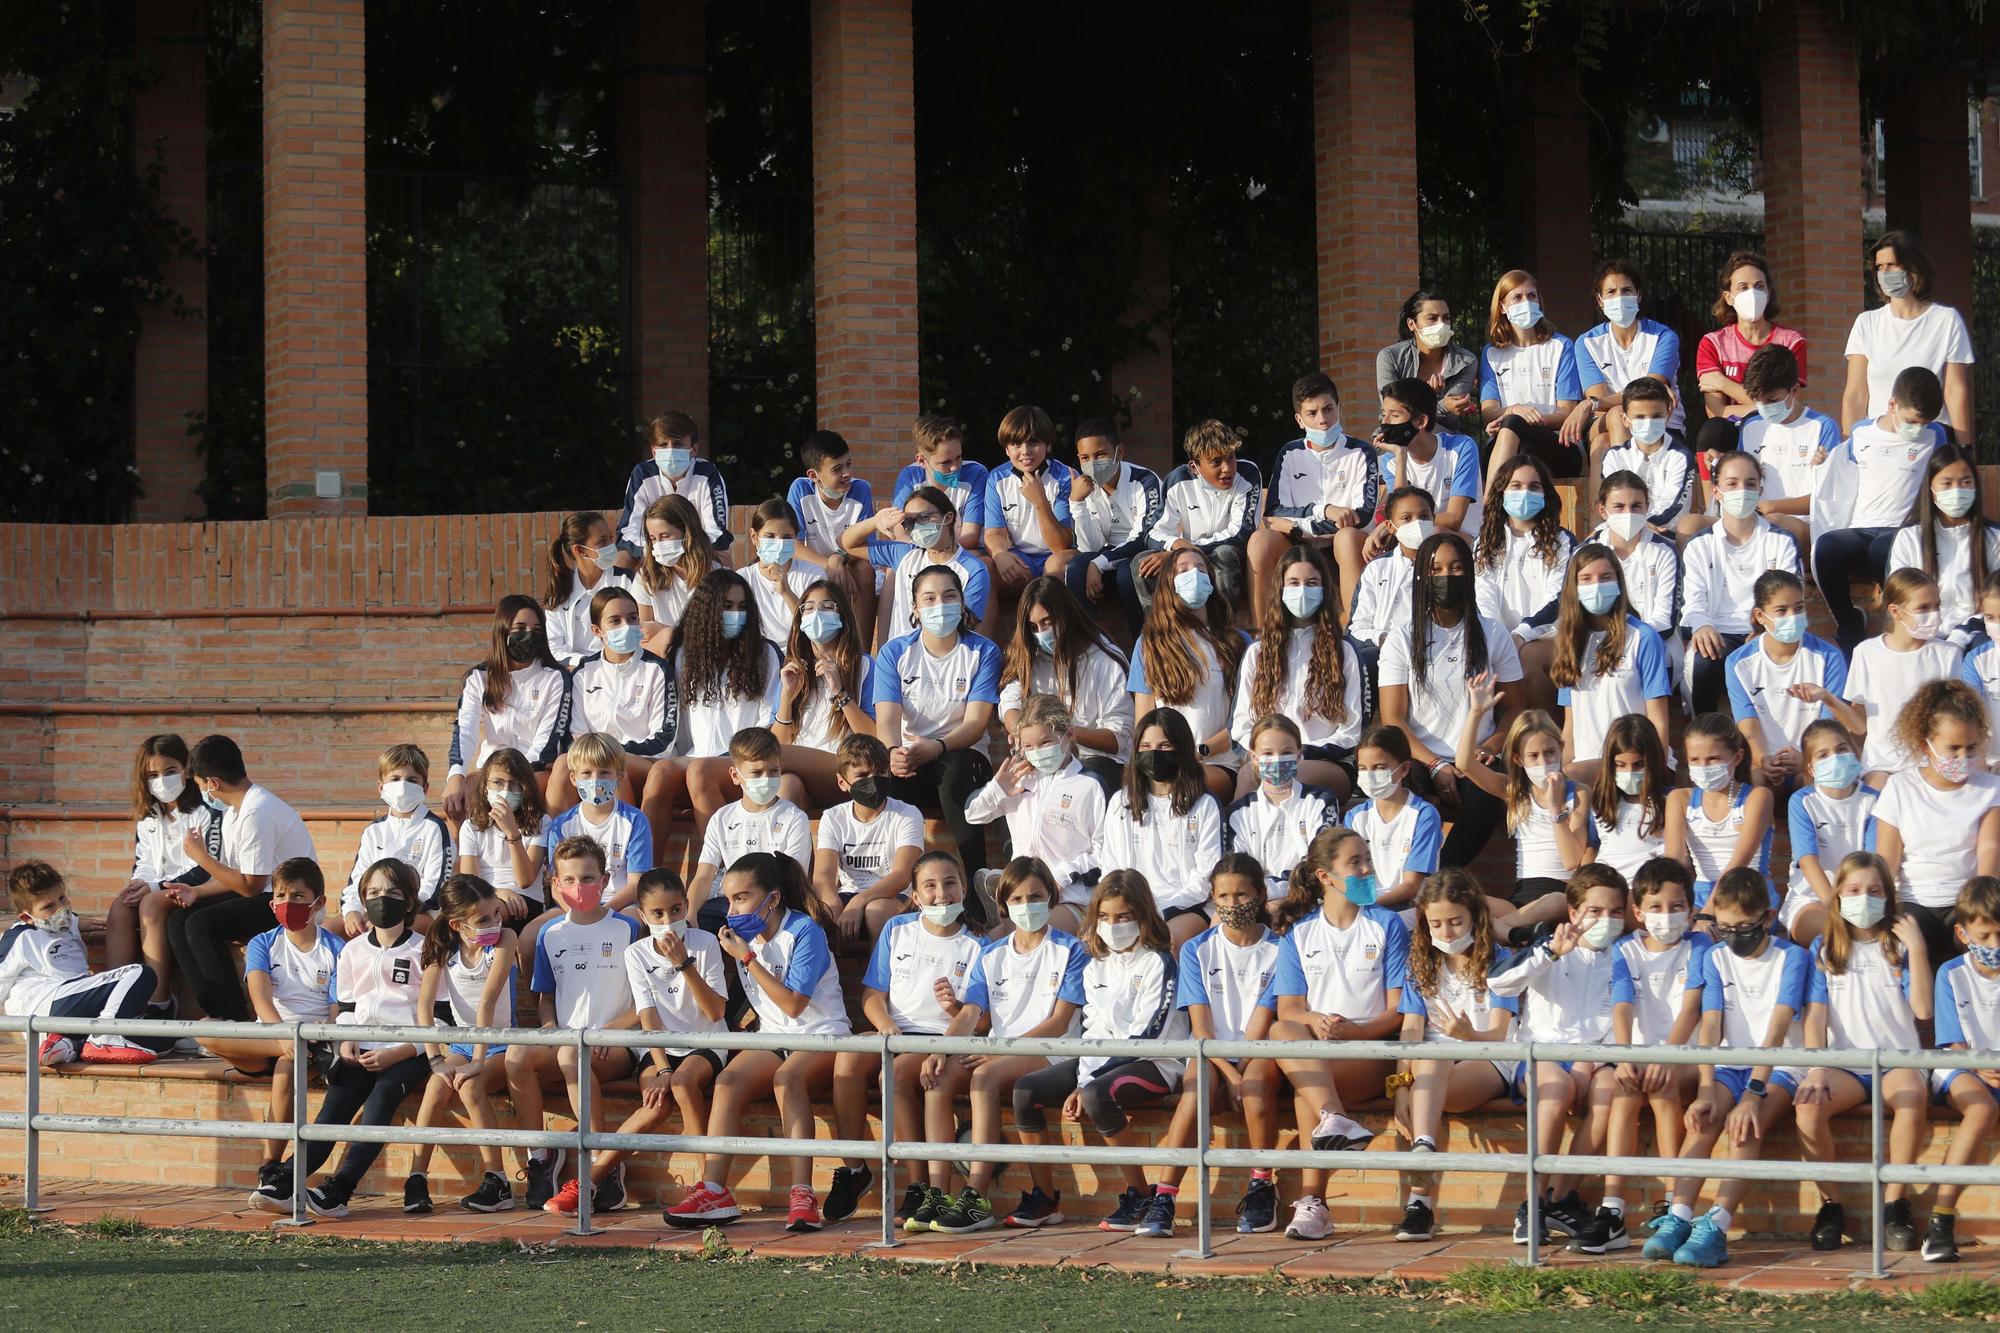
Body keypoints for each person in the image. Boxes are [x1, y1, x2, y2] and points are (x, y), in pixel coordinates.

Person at [1641, 866, 1808, 1268]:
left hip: (1782, 1063)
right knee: (1702, 1118)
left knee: (1744, 1125)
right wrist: (1702, 1089)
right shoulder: (1716, 956)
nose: (1734, 936)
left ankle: (1716, 1224)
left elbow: (1779, 1025)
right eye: (1725, 927)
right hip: (1730, 1063)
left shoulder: (1792, 957)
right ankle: (1678, 1216)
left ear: (1768, 919)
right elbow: (1711, 1023)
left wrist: (1753, 1093)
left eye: (1745, 926)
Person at [1007, 870, 1189, 1231]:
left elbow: (1147, 1035)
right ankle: (1044, 1197)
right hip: (1104, 1059)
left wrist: (1088, 1080)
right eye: (1104, 917)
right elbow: (1094, 1029)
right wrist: (1086, 1074)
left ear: (1142, 915)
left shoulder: (1159, 961)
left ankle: (1140, 1194)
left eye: (1123, 917)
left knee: (1095, 1095)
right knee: (1026, 1091)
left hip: (1157, 1061)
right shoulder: (1097, 965)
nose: (1113, 925)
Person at [918, 857, 1087, 1234]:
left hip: (1052, 1049)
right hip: (1001, 1050)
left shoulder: (1071, 950)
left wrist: (1001, 1050)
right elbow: (969, 1014)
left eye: (1037, 896)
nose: (1028, 906)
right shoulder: (991, 954)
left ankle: (975, 1198)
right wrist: (938, 1051)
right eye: (1018, 899)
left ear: (1053, 898)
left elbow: (1058, 1022)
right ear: (1003, 907)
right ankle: (938, 1194)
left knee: (985, 1078)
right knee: (939, 1080)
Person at [255, 857, 430, 1219]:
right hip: (360, 1048)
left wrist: (400, 1052)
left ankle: (340, 1189)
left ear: (410, 901)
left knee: (381, 1100)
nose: (383, 899)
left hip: (411, 1052)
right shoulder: (352, 950)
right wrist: (346, 1039)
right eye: (374, 892)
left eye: (393, 892)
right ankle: (287, 1179)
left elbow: (438, 1019)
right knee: (333, 1108)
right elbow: (347, 1007)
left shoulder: (425, 950)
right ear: (363, 900)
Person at [1266, 826, 1410, 1242]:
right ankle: (1334, 1122)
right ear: (1325, 877)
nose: (1367, 868)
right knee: (1284, 1031)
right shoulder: (1301, 932)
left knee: (1305, 1085)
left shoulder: (1387, 925)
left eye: (1367, 859)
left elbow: (1397, 1012)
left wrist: (1354, 1030)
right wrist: (1316, 1020)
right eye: (1356, 862)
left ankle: (1314, 1199)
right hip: (1321, 1051)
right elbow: (1290, 1010)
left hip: (1371, 1050)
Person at [1137, 854, 1285, 1238]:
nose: (1233, 904)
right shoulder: (1196, 950)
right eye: (1224, 896)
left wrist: (1241, 1074)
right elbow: (1201, 1028)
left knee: (1254, 1091)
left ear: (1261, 894)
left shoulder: (1282, 949)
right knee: (1194, 1094)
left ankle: (1262, 1186)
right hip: (1210, 1052)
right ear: (1213, 899)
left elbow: (1263, 1021)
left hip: (1260, 1050)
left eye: (1242, 895)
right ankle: (1165, 1198)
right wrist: (1229, 1073)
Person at [1792, 850, 1932, 1254]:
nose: (1863, 897)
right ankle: (1831, 1206)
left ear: (1888, 896)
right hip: (1846, 1066)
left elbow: (1922, 1009)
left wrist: (1918, 950)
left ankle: (1895, 1206)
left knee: (1911, 1096)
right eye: (1854, 890)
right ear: (1837, 895)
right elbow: (1815, 1018)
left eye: (1873, 890)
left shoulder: (1899, 945)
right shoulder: (1823, 947)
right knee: (1808, 1106)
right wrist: (1817, 1070)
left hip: (1897, 1061)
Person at [1488, 862, 1629, 1247]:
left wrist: (1593, 1058)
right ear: (1572, 913)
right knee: (1555, 1091)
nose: (1606, 920)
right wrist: (1550, 952)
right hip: (1540, 1054)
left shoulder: (1626, 957)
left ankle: (1561, 1198)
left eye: (1615, 912)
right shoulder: (1548, 948)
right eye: (1595, 911)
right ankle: (1530, 1204)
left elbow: (1621, 1019)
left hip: (1596, 1057)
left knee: (1612, 1092)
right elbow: (1499, 981)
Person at [843, 852, 984, 1228]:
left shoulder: (978, 945)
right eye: (930, 886)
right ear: (916, 896)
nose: (942, 894)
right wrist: (885, 1023)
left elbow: (978, 1016)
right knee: (848, 1060)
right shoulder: (897, 929)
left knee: (896, 1074)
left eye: (950, 883)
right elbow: (872, 993)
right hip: (895, 1032)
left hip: (939, 1038)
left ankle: (919, 1186)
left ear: (965, 888)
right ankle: (853, 1169)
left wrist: (953, 1009)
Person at [506, 836, 643, 1212]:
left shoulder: (629, 929)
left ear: (604, 879)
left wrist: (610, 1031)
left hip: (616, 1044)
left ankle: (603, 1161)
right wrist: (549, 1027)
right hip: (568, 1042)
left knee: (570, 1057)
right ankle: (541, 1158)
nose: (578, 888)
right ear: (554, 883)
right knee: (517, 1056)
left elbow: (648, 1002)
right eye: (568, 880)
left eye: (587, 878)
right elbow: (545, 996)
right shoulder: (550, 935)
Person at [586, 869, 729, 1222]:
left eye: (676, 910)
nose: (669, 920)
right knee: (655, 1099)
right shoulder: (636, 954)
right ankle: (589, 1181)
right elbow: (647, 1016)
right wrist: (662, 1066)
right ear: (643, 916)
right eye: (658, 914)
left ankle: (708, 1188)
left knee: (682, 1083)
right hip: (660, 1047)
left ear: (686, 906)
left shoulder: (704, 943)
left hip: (706, 1040)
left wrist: (683, 963)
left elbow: (714, 1011)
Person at [1377, 530, 1522, 866]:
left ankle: (1443, 874)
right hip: (1420, 758)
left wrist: (1491, 746)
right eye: (1436, 569)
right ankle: (1411, 872)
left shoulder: (1494, 633)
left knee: (1489, 792)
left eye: (1456, 568)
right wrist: (1436, 764)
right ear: (1422, 577)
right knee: (1398, 781)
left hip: (1477, 755)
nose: (1447, 577)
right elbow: (1393, 719)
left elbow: (1515, 708)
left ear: (1469, 574)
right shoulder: (1402, 638)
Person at [198, 857, 339, 1193]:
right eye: (280, 896)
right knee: (204, 1029)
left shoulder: (335, 948)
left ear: (319, 903)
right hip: (271, 1037)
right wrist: (282, 1035)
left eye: (298, 897)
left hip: (310, 1042)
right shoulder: (263, 942)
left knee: (286, 1069)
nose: (287, 904)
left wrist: (315, 1033)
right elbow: (259, 997)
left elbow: (337, 1008)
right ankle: (289, 1048)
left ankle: (269, 1165)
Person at [1393, 868, 1518, 1242]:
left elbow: (1498, 1032)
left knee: (1434, 1063)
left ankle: (1419, 1196)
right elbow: (1411, 1032)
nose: (1446, 932)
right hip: (1431, 1067)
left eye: (1455, 921)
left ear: (1476, 917)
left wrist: (1468, 1035)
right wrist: (1399, 1087)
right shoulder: (1421, 963)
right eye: (1437, 924)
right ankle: (1423, 1160)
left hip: (1488, 1058)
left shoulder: (1501, 959)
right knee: (1431, 1058)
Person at [1594, 857, 1706, 1254]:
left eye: (1677, 907)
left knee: (1664, 1088)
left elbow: (1692, 1007)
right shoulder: (1625, 949)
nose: (1667, 916)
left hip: (1685, 1057)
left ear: (1691, 910)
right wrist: (1625, 1056)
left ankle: (1675, 1206)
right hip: (1639, 1055)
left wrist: (1669, 1055)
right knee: (1621, 1093)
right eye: (1656, 908)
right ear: (1638, 913)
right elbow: (1622, 1005)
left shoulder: (1701, 946)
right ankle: (1612, 1209)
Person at [168, 734, 316, 1023]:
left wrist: (200, 857)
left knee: (202, 924)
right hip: (263, 893)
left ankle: (229, 1016)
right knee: (177, 920)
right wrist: (198, 892)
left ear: (212, 783)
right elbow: (238, 876)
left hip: (289, 902)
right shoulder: (239, 811)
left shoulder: (256, 812)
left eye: (200, 785)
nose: (203, 793)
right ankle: (215, 1010)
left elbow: (251, 886)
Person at [872, 562, 1001, 876]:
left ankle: (977, 880)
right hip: (912, 759)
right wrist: (893, 753)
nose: (939, 605)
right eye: (929, 598)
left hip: (964, 759)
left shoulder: (983, 651)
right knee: (882, 780)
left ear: (961, 601)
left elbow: (975, 724)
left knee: (953, 769)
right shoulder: (894, 652)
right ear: (915, 607)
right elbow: (887, 721)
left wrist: (938, 746)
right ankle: (897, 885)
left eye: (949, 596)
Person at [1811, 365, 1948, 654]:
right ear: (1892, 405)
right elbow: (1837, 470)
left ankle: (1896, 621)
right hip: (1860, 528)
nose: (1918, 428)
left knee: (1881, 550)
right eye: (1912, 421)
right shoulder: (1861, 432)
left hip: (1902, 531)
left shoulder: (1936, 436)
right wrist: (1821, 461)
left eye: (1925, 423)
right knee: (1825, 547)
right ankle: (1849, 622)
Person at [408, 874, 519, 1215]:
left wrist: (479, 1061)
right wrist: (435, 1061)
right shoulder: (444, 945)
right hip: (463, 1043)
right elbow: (424, 1006)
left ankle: (498, 1180)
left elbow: (487, 1003)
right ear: (457, 925)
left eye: (496, 914)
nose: (494, 923)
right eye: (483, 920)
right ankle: (416, 1178)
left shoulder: (506, 939)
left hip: (500, 1041)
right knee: (435, 1088)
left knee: (470, 1088)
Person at [1871, 679, 2000, 962]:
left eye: (1971, 748)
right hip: (1914, 904)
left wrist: (1976, 914)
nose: (1963, 757)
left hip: (1967, 902)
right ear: (1926, 744)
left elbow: (1989, 852)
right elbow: (1886, 860)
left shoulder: (1991, 789)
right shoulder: (1900, 787)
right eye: (1953, 748)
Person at [3, 860, 174, 1068]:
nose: (61, 909)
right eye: (49, 906)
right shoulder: (20, 936)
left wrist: (79, 922)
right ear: (26, 917)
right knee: (140, 973)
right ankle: (105, 1036)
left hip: (67, 1014)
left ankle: (68, 1045)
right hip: (45, 1006)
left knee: (163, 1042)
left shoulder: (64, 924)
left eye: (62, 898)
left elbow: (67, 920)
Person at [964, 694, 1106, 930]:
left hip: (1070, 897)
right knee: (997, 943)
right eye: (1028, 746)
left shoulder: (1090, 785)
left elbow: (1104, 852)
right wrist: (997, 789)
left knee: (1034, 934)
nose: (1037, 752)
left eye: (1046, 743)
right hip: (1023, 894)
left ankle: (999, 895)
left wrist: (1060, 876)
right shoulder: (1020, 779)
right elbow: (973, 815)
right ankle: (1003, 897)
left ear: (1068, 735)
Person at [1231, 545, 1362, 800]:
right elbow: (1240, 724)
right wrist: (1269, 755)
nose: (1303, 590)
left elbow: (1352, 730)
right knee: (1249, 776)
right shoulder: (1258, 652)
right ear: (1280, 589)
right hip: (1267, 761)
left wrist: (1297, 754)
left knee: (1288, 776)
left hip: (1326, 762)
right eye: (1293, 583)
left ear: (1324, 589)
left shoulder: (1343, 651)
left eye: (1311, 582)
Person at [547, 586, 678, 837]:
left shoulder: (657, 669)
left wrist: (611, 753)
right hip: (591, 759)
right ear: (597, 631)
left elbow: (664, 741)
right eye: (615, 621)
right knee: (564, 764)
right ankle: (555, 857)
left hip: (643, 762)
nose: (626, 626)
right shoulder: (584, 672)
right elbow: (574, 734)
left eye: (632, 618)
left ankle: (629, 856)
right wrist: (598, 755)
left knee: (611, 767)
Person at [671, 570, 785, 857]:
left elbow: (767, 723)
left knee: (699, 772)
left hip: (743, 763)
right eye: (727, 607)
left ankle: (723, 868)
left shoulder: (765, 655)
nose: (736, 614)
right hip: (695, 757)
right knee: (661, 773)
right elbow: (680, 726)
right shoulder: (684, 656)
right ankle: (643, 877)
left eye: (742, 607)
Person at [103, 733, 219, 1011]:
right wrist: (138, 883)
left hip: (197, 891)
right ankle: (114, 1000)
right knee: (121, 906)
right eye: (153, 774)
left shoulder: (206, 810)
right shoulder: (148, 815)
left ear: (186, 770)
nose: (161, 780)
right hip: (158, 888)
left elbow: (206, 868)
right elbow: (143, 861)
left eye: (170, 772)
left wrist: (154, 887)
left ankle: (159, 1002)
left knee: (151, 903)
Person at [1454, 697, 1591, 930]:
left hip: (1560, 895)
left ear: (1561, 749)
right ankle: (1508, 930)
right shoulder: (1516, 792)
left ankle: (1494, 932)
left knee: (1555, 901)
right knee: (1455, 899)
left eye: (1550, 753)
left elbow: (1572, 861)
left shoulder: (1577, 792)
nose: (1544, 762)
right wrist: (1476, 713)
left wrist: (1555, 807)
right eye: (1534, 756)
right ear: (1518, 759)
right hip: (1521, 898)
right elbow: (1465, 764)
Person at [1680, 450, 1801, 713]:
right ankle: (1704, 733)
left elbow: (1789, 599)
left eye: (1750, 484)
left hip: (1766, 631)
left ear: (1760, 489)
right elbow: (1693, 600)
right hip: (1717, 634)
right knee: (1703, 660)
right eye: (1731, 483)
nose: (1741, 490)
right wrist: (1701, 625)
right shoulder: (1699, 545)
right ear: (1716, 491)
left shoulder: (1781, 541)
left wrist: (1763, 629)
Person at [1254, 371, 1380, 620]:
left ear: (1340, 409)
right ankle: (1261, 632)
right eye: (1312, 413)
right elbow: (1274, 512)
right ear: (1299, 420)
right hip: (1296, 543)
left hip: (1342, 543)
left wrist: (1297, 527)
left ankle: (1357, 633)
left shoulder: (1362, 451)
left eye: (1328, 409)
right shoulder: (1289, 453)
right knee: (1261, 541)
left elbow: (1361, 517)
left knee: (1345, 536)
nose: (1323, 420)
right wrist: (1325, 510)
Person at [1130, 546, 1247, 802]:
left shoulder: (1237, 642)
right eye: (1183, 570)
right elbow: (1145, 721)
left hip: (1219, 762)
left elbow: (1246, 719)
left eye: (1201, 569)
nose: (1194, 575)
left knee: (1184, 791)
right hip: (1164, 764)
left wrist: (1198, 753)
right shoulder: (1149, 645)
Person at [1100, 710, 1225, 948]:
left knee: (1166, 941)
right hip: (1129, 908)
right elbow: (1110, 866)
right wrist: (1125, 909)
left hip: (1186, 908)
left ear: (1181, 749)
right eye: (1145, 746)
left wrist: (1156, 910)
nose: (1154, 753)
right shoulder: (1120, 802)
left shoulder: (1205, 804)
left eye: (1164, 745)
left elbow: (1204, 879)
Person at [997, 575, 1133, 793]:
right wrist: (1021, 730)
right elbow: (1009, 702)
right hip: (1043, 761)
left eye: (1048, 623)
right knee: (1008, 791)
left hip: (1098, 763)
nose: (1041, 634)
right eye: (1033, 627)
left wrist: (1063, 733)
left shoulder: (1105, 659)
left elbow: (1118, 739)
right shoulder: (1029, 657)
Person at [1924, 875, 2000, 1262]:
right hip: (1961, 1068)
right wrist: (1980, 1068)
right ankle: (1941, 1220)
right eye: (1985, 936)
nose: (1995, 946)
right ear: (1963, 931)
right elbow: (1952, 1043)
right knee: (1982, 1108)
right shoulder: (1950, 973)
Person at [1547, 544, 1672, 776]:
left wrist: (1655, 772)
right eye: (1586, 578)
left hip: (1632, 764)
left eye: (1606, 577)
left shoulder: (1643, 637)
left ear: (1618, 582)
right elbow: (1570, 729)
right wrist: (1556, 775)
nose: (1597, 586)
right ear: (1574, 587)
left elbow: (1658, 720)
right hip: (1585, 766)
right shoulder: (1568, 642)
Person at [1842, 229, 1976, 438]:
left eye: (1892, 265)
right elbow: (1856, 395)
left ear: (1913, 269)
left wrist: (1965, 448)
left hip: (1930, 437)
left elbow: (1954, 391)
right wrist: (1848, 448)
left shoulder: (1946, 320)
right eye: (1880, 267)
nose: (1885, 273)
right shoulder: (1866, 324)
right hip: (1881, 440)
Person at [443, 596, 566, 820]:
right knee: (460, 793)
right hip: (491, 770)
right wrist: (455, 775)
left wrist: (512, 778)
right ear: (502, 630)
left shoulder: (556, 677)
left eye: (536, 629)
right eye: (520, 628)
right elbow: (465, 730)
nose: (529, 634)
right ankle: (464, 854)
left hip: (534, 770)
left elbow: (547, 742)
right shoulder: (478, 678)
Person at [1724, 569, 1847, 789]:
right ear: (1760, 616)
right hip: (1764, 762)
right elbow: (1747, 724)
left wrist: (1807, 758)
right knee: (1756, 782)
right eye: (1781, 610)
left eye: (1798, 608)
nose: (1793, 617)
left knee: (1815, 781)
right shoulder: (1738, 663)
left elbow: (1830, 723)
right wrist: (1763, 760)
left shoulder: (1829, 657)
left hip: (1814, 759)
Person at [1840, 568, 1962, 782]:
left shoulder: (1948, 653)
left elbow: (1952, 716)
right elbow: (1858, 723)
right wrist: (1827, 699)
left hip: (1931, 764)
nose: (1934, 614)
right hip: (1882, 766)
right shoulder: (1866, 652)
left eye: (1937, 606)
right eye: (1923, 608)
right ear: (1896, 612)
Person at [686, 727, 812, 934]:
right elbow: (703, 876)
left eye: (773, 771)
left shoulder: (794, 818)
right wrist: (690, 914)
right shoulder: (721, 818)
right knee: (692, 931)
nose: (766, 779)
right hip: (726, 905)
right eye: (756, 773)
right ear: (735, 775)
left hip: (773, 905)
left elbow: (793, 880)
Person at [1473, 454, 1574, 710]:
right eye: (1516, 486)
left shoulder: (1563, 542)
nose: (1525, 493)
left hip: (1551, 636)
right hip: (1501, 636)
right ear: (1502, 492)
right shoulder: (1484, 543)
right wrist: (1498, 638)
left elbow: (1559, 599)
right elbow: (1483, 594)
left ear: (1545, 493)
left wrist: (1519, 636)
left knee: (1525, 659)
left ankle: (1542, 738)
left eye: (1534, 486)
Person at [842, 482, 992, 650]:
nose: (917, 526)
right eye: (909, 522)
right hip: (901, 659)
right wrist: (875, 522)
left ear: (948, 517)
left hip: (947, 660)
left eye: (923, 517)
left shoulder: (973, 570)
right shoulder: (905, 554)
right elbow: (848, 544)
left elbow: (967, 626)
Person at [1572, 259, 1683, 479]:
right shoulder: (1587, 343)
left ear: (1639, 296)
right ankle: (1630, 494)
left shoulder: (1663, 337)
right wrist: (1598, 402)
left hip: (1660, 423)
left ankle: (1619, 501)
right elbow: (1604, 401)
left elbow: (1650, 394)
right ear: (1600, 300)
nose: (1619, 298)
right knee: (1614, 415)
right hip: (1604, 421)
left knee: (1603, 443)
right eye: (1611, 292)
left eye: (1626, 290)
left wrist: (1591, 403)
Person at [772, 576, 877, 806]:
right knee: (787, 787)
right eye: (808, 608)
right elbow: (781, 740)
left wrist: (840, 691)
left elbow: (875, 737)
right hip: (796, 769)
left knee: (766, 757)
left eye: (826, 607)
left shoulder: (866, 666)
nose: (816, 614)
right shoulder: (794, 670)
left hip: (845, 767)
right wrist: (787, 698)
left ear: (842, 615)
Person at [812, 734, 929, 938]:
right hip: (849, 894)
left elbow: (902, 875)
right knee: (823, 912)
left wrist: (860, 901)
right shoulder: (833, 817)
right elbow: (823, 876)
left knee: (877, 910)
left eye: (880, 773)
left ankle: (878, 970)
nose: (872, 782)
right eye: (862, 775)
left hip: (895, 897)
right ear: (842, 782)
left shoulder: (907, 813)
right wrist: (833, 905)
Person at [1141, 418, 1262, 611]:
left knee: (1224, 554)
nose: (1227, 468)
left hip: (1227, 552)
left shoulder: (1248, 473)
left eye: (1230, 457)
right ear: (1194, 466)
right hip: (1187, 554)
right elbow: (1153, 532)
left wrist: (1183, 552)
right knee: (1143, 563)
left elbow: (1240, 535)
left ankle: (1222, 632)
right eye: (1216, 462)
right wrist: (1176, 545)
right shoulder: (1177, 479)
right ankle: (1161, 633)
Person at [1224, 715, 1342, 907]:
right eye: (1268, 754)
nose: (1277, 760)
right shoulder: (1238, 813)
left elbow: (1318, 861)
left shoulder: (1321, 801)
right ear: (1254, 758)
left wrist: (1278, 895)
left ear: (1298, 755)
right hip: (1254, 904)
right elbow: (1238, 869)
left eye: (1286, 752)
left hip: (1308, 900)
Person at [1779, 721, 1878, 946]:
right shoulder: (1803, 802)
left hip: (1864, 898)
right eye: (1823, 755)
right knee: (1836, 929)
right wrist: (1836, 907)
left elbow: (1872, 863)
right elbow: (1807, 860)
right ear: (1811, 768)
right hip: (1812, 899)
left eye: (1842, 749)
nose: (1835, 758)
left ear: (1855, 752)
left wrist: (1858, 905)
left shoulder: (1873, 800)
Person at [336, 743, 455, 932]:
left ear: (425, 788)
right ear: (381, 787)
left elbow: (435, 887)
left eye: (412, 780)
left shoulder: (434, 828)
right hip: (375, 909)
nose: (402, 786)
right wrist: (352, 910)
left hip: (418, 914)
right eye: (395, 778)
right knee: (328, 931)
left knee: (384, 931)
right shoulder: (373, 831)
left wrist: (398, 912)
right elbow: (358, 879)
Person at [1479, 268, 1585, 478]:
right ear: (1502, 307)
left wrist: (1526, 420)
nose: (1525, 302)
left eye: (1531, 296)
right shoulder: (1491, 353)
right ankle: (1493, 506)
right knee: (1512, 422)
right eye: (1517, 297)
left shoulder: (1561, 347)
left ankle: (1489, 508)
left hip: (1558, 444)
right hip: (1507, 443)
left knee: (1513, 422)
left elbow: (1566, 412)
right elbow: (1489, 411)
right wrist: (1514, 410)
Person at [1888, 443, 1997, 643]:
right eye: (1946, 483)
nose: (1957, 491)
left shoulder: (1993, 537)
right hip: (1923, 636)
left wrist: (1963, 634)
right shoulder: (1909, 538)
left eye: (1965, 482)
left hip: (1978, 637)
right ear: (1930, 487)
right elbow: (1902, 598)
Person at [1665, 712, 1774, 914]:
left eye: (1713, 758)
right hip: (1701, 895)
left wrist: (1708, 914)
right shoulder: (1679, 799)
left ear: (1737, 757)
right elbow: (1675, 862)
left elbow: (1738, 864)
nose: (1703, 767)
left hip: (1749, 893)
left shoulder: (1758, 797)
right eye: (1695, 759)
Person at [1735, 344, 1836, 559]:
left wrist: (1772, 507)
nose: (1764, 408)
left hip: (1804, 527)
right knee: (1692, 524)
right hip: (1750, 519)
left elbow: (1827, 499)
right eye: (1758, 401)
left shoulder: (1823, 427)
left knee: (1770, 524)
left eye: (1772, 401)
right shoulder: (1751, 425)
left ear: (1794, 391)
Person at [1065, 416, 1163, 636]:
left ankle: (1145, 648)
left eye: (1100, 455)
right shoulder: (1085, 486)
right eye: (1085, 457)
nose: (1093, 463)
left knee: (1127, 573)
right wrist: (1077, 503)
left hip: (1141, 555)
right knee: (1076, 567)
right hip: (1106, 558)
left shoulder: (1145, 480)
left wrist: (1099, 564)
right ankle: (1088, 647)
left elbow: (1145, 537)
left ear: (1119, 452)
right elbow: (1090, 547)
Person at [542, 732, 653, 911]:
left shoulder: (635, 821)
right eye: (586, 773)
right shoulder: (561, 825)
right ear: (573, 778)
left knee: (631, 926)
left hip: (621, 905)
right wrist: (576, 913)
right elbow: (556, 885)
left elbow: (636, 883)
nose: (596, 780)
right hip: (571, 908)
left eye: (605, 772)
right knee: (531, 934)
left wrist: (602, 913)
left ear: (619, 777)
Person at [1694, 249, 1808, 424]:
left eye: (1759, 286)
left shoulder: (1791, 342)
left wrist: (1723, 383)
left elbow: (1792, 405)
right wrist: (1772, 405)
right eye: (1743, 287)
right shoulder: (1713, 343)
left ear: (1768, 293)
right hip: (1730, 436)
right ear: (1728, 297)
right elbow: (1716, 412)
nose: (1752, 293)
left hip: (1779, 433)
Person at [1585, 472, 1681, 676]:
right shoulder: (1584, 553)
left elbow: (1665, 620)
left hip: (1652, 646)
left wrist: (1627, 643)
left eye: (1636, 506)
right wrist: (1606, 645)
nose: (1628, 513)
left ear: (1647, 507)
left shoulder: (1664, 552)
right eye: (1618, 507)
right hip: (1594, 647)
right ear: (1603, 510)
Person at [1345, 725, 1446, 920]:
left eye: (1380, 768)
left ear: (1404, 769)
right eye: (1363, 768)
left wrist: (1367, 909)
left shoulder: (1423, 815)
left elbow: (1412, 885)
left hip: (1410, 910)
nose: (1370, 775)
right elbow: (1350, 876)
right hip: (1365, 910)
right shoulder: (1354, 817)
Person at [785, 428, 877, 634]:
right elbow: (794, 545)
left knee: (865, 570)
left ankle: (861, 654)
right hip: (813, 563)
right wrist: (829, 564)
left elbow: (865, 545)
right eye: (837, 469)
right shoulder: (800, 489)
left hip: (849, 563)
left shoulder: (861, 489)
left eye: (848, 464)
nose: (847, 474)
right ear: (814, 475)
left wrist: (839, 559)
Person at [982, 404, 1077, 590]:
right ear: (1006, 449)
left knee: (1055, 566)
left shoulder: (1067, 477)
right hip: (1022, 557)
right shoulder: (996, 478)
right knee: (985, 568)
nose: (1025, 451)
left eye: (1033, 442)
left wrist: (1040, 500)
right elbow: (994, 533)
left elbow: (1061, 545)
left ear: (1048, 444)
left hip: (1059, 556)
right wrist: (1000, 554)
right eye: (1017, 444)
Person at [615, 411, 732, 560]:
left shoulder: (708, 474)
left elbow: (717, 532)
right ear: (653, 451)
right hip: (652, 552)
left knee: (723, 558)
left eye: (678, 444)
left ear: (694, 449)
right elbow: (628, 531)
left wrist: (682, 550)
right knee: (621, 558)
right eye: (663, 445)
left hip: (695, 553)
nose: (670, 451)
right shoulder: (642, 474)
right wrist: (656, 551)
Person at [1347, 485, 1437, 678]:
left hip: (1436, 650)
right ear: (1390, 527)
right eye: (1406, 518)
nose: (1417, 523)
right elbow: (1357, 627)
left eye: (1424, 516)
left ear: (1433, 519)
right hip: (1384, 651)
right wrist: (1384, 638)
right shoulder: (1377, 568)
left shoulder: (1447, 564)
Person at [1374, 378, 1482, 537]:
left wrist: (1403, 522)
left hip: (1462, 541)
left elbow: (1454, 519)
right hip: (1414, 542)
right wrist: (1401, 457)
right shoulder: (1390, 461)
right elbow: (1400, 512)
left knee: (1436, 533)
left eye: (1394, 415)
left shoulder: (1461, 449)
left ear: (1421, 421)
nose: (1385, 422)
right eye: (1384, 414)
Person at [457, 748, 549, 926]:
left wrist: (512, 833)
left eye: (514, 784)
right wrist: (497, 892)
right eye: (498, 783)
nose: (506, 791)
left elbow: (525, 880)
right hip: (483, 895)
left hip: (524, 901)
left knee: (484, 915)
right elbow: (469, 879)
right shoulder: (471, 826)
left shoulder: (542, 822)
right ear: (485, 787)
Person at [1377, 289, 1480, 433]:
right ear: (1412, 324)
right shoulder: (1390, 357)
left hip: (1445, 438)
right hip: (1397, 436)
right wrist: (1431, 398)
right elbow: (1393, 412)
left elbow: (1452, 417)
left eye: (1446, 318)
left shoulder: (1465, 361)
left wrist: (1423, 405)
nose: (1441, 324)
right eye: (1432, 318)